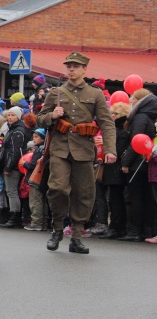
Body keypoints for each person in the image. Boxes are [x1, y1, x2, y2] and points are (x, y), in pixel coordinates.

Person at [37, 51, 116, 254]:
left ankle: (77, 236)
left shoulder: (95, 94)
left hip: (83, 149)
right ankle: (56, 229)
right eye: (68, 66)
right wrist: (52, 116)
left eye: (75, 66)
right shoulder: (56, 93)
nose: (71, 69)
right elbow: (40, 118)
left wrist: (110, 149)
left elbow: (107, 123)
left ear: (84, 69)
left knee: (84, 193)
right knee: (58, 188)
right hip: (60, 148)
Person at [118, 88, 157, 242]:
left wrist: (125, 162)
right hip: (144, 162)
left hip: (137, 164)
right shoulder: (149, 116)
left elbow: (136, 141)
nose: (130, 100)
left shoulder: (140, 117)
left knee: (136, 198)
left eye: (133, 98)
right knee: (145, 198)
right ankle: (145, 230)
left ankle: (136, 230)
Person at [98, 102, 130, 240]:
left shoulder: (122, 131)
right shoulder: (115, 130)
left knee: (116, 199)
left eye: (115, 114)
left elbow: (119, 150)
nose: (112, 116)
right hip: (111, 168)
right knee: (113, 199)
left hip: (116, 168)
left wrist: (105, 144)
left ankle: (117, 227)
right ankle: (115, 226)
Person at [0, 106, 31, 228]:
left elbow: (15, 151)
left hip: (13, 166)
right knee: (11, 191)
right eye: (9, 115)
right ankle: (13, 214)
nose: (10, 117)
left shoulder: (17, 131)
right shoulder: (13, 129)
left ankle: (15, 216)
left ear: (18, 117)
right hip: (11, 164)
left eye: (13, 115)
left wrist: (8, 167)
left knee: (11, 191)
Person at [23, 128, 47, 231]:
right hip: (44, 178)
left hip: (37, 178)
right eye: (33, 137)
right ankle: (44, 223)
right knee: (43, 201)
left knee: (35, 201)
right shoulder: (45, 148)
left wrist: (24, 164)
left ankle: (36, 223)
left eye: (36, 137)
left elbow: (33, 165)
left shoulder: (39, 150)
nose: (34, 140)